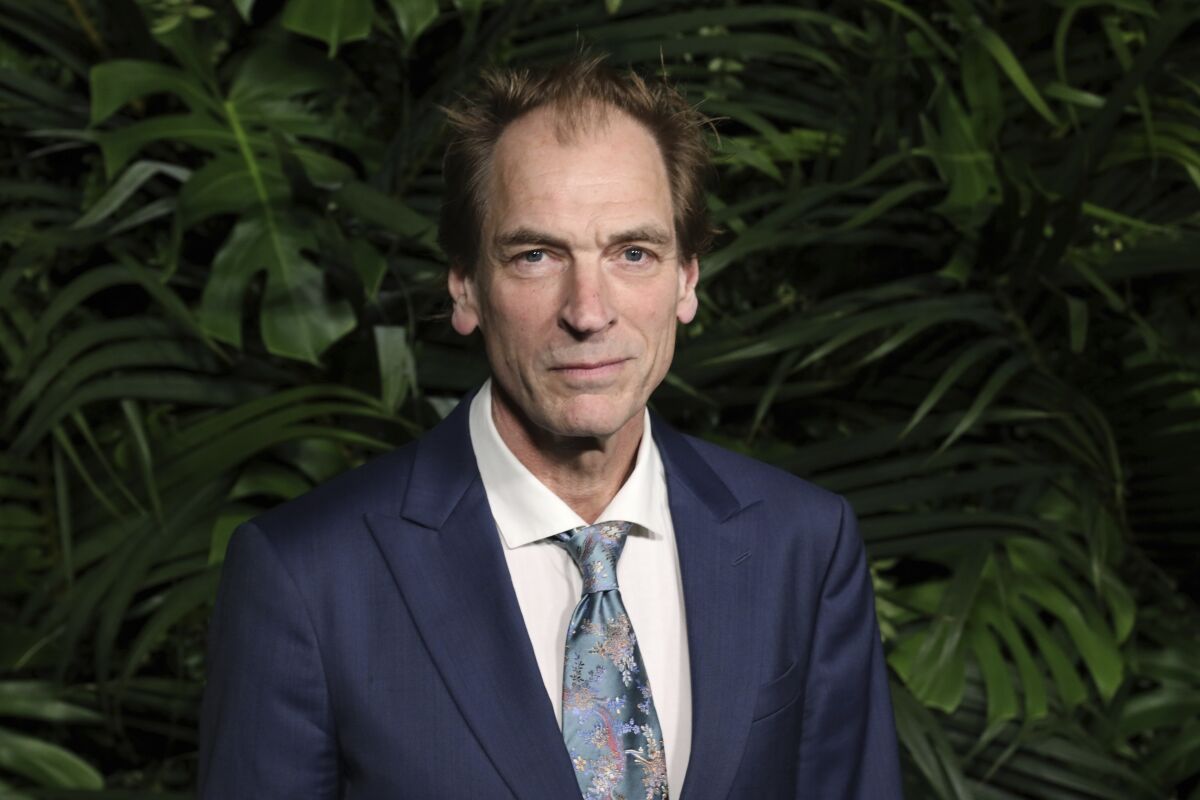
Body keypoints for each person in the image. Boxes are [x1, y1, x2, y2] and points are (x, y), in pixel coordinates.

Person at [198, 55, 903, 799]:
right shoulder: (308, 578)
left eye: (634, 253)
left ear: (687, 281)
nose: (588, 311)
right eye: (536, 255)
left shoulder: (803, 544)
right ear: (466, 286)